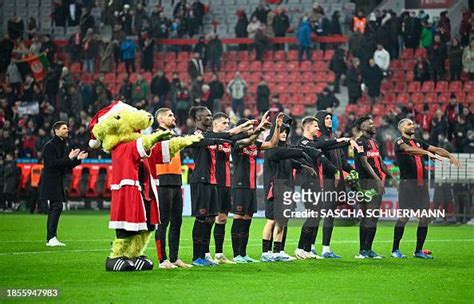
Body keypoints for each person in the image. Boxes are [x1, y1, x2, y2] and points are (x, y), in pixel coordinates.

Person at [187, 106, 253, 267]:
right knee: (201, 219)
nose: (209, 118)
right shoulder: (197, 135)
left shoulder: (211, 135)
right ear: (198, 119)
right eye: (207, 116)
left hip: (212, 182)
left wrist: (254, 130)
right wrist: (240, 128)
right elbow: (224, 136)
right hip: (201, 181)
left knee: (210, 218)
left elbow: (230, 137)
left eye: (211, 115)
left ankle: (204, 254)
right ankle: (197, 256)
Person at [391, 118, 459, 259]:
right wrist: (426, 153)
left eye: (413, 123)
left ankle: (418, 251)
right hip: (407, 185)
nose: (413, 125)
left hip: (421, 187)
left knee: (424, 218)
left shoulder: (419, 142)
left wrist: (450, 155)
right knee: (404, 217)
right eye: (409, 124)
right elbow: (408, 150)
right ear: (401, 127)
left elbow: (436, 149)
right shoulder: (399, 141)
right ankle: (395, 249)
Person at [294, 117, 355, 259]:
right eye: (315, 126)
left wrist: (344, 141)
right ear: (307, 127)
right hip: (308, 184)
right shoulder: (302, 142)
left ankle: (308, 250)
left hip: (317, 184)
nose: (318, 128)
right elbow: (320, 148)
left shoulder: (314, 143)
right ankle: (299, 248)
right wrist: (334, 169)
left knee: (316, 217)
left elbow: (326, 146)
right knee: (312, 216)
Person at [230, 112, 281, 263]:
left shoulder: (254, 144)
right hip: (240, 184)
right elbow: (247, 141)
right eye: (248, 127)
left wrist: (277, 127)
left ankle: (243, 254)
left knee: (247, 219)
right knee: (238, 218)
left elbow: (272, 144)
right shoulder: (236, 142)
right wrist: (258, 128)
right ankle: (236, 255)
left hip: (251, 185)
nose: (250, 129)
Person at [152, 108, 192, 269]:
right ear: (160, 119)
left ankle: (174, 258)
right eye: (170, 115)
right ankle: (162, 260)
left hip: (176, 180)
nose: (173, 117)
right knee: (163, 222)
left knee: (177, 221)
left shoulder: (174, 135)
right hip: (163, 180)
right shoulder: (156, 135)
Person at [353, 116, 396, 259]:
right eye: (370, 124)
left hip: (375, 182)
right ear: (362, 127)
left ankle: (367, 250)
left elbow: (381, 163)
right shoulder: (359, 142)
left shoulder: (374, 142)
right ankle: (363, 250)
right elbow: (364, 162)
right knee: (369, 216)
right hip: (366, 183)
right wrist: (377, 179)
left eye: (373, 123)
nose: (373, 125)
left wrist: (391, 176)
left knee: (372, 217)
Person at [40, 121, 88, 247]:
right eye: (64, 128)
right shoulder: (49, 146)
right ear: (56, 131)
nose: (67, 130)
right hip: (51, 181)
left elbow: (66, 165)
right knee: (57, 207)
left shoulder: (64, 145)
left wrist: (77, 159)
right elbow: (51, 164)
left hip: (59, 180)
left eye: (67, 128)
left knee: (56, 207)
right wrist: (69, 158)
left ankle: (51, 238)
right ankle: (51, 238)